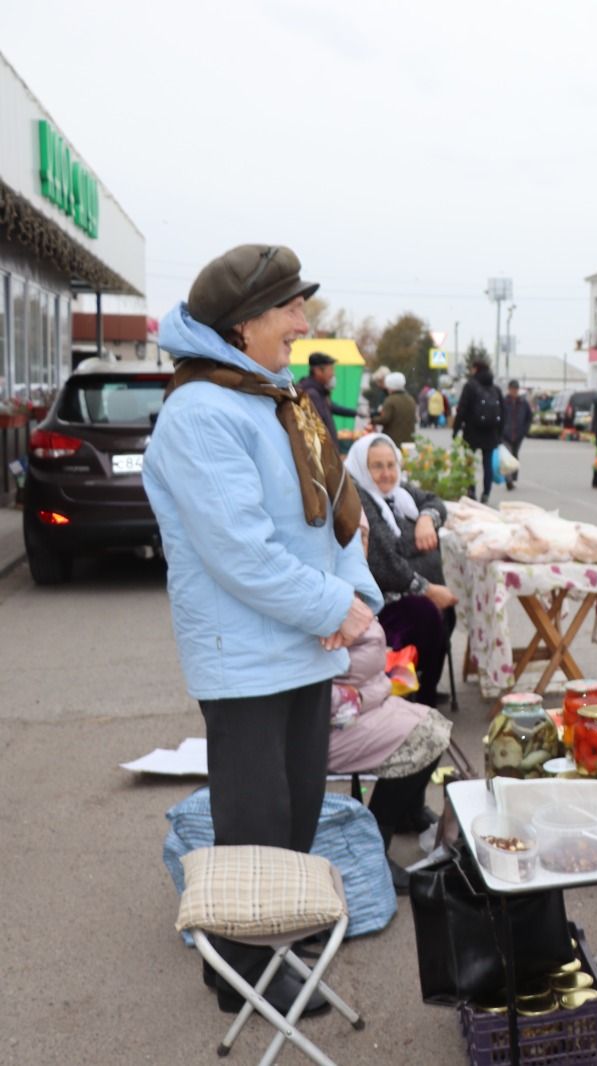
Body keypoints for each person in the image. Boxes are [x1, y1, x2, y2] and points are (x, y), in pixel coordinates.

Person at [144, 243, 381, 1017]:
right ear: (245, 324)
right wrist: (328, 609)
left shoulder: (277, 396)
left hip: (303, 649)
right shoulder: (201, 413)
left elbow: (340, 514)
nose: (303, 323)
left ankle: (276, 934)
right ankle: (238, 969)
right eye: (291, 308)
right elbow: (239, 553)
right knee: (255, 821)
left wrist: (352, 601)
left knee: (301, 811)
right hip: (244, 659)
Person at [330, 511, 452, 893]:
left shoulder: (350, 584)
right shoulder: (329, 596)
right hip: (332, 724)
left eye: (364, 538)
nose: (362, 547)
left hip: (362, 705)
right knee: (425, 735)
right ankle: (372, 852)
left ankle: (403, 813)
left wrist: (381, 686)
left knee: (433, 723)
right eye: (354, 538)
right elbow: (329, 694)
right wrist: (378, 691)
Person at [344, 433, 458, 709]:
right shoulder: (361, 499)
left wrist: (426, 519)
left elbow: (434, 501)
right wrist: (429, 590)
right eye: (377, 466)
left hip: (409, 589)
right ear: (362, 468)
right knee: (427, 614)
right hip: (382, 599)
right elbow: (385, 564)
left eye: (391, 464)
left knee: (444, 613)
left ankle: (423, 685)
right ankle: (419, 697)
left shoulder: (400, 494)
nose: (386, 474)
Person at [453, 359, 503, 504]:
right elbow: (503, 413)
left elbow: (461, 409)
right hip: (490, 433)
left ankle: (471, 491)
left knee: (470, 463)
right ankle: (486, 492)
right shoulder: (495, 389)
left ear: (476, 369)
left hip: (471, 432)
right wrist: (499, 434)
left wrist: (456, 429)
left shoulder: (470, 386)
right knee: (487, 464)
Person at [297, 350, 359, 444]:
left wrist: (356, 413)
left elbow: (332, 407)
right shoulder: (312, 394)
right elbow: (319, 431)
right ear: (318, 371)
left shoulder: (320, 392)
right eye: (330, 369)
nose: (333, 374)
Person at [500, 380, 534, 491]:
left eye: (516, 389)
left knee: (515, 456)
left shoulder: (523, 402)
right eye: (512, 389)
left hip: (518, 434)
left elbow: (529, 417)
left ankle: (513, 478)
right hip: (506, 434)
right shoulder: (504, 402)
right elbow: (498, 415)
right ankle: (508, 480)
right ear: (509, 389)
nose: (514, 391)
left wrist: (525, 430)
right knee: (507, 457)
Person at [373, 371, 417, 445]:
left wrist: (373, 419)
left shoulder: (390, 400)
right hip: (409, 439)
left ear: (389, 386)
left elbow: (385, 419)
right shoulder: (410, 399)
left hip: (393, 439)